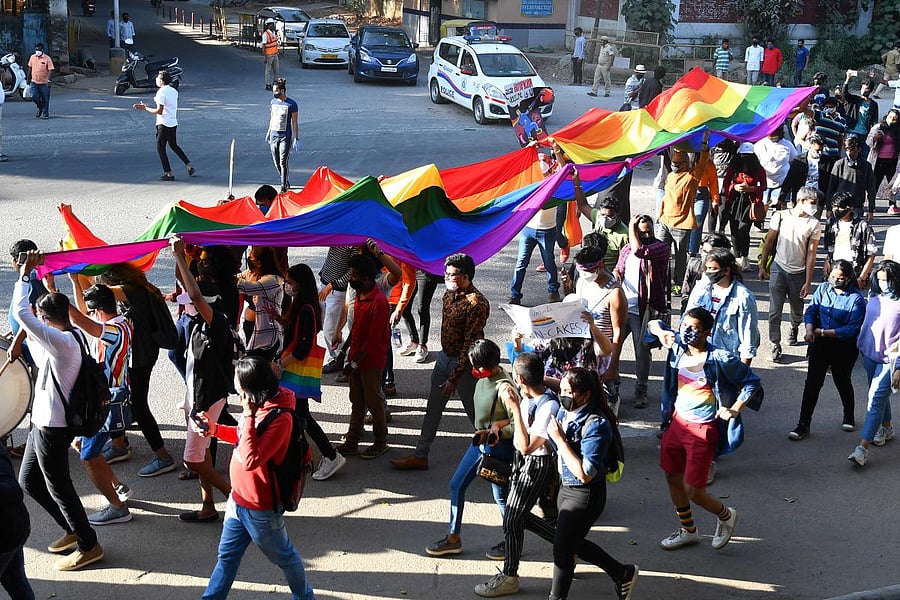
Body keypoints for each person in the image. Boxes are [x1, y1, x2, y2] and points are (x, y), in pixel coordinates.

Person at [197, 356, 315, 600]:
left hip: (261, 509)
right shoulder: (257, 406)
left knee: (285, 558)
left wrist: (248, 416)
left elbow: (252, 459)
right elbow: (243, 437)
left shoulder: (280, 418)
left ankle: (304, 596)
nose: (235, 389)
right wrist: (215, 429)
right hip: (237, 500)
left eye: (238, 385)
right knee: (227, 557)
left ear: (250, 389)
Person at [14, 251, 103, 571]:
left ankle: (88, 544)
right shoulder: (68, 335)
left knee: (60, 487)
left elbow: (21, 313)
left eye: (41, 318)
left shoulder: (62, 342)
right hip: (42, 422)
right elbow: (34, 334)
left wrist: (25, 275)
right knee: (30, 482)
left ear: (46, 318)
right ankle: (71, 529)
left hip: (54, 426)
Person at [649, 307, 761, 552]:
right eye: (684, 326)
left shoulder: (720, 358)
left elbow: (751, 382)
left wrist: (735, 408)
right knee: (671, 475)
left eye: (694, 329)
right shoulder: (678, 347)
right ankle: (688, 530)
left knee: (694, 490)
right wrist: (660, 332)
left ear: (707, 333)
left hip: (703, 429)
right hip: (676, 423)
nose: (687, 331)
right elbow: (652, 324)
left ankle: (726, 515)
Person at [544, 368, 638, 600]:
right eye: (561, 390)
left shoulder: (596, 424)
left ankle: (622, 573)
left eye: (569, 391)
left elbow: (586, 473)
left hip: (584, 495)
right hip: (565, 489)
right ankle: (622, 573)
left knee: (563, 549)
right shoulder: (569, 412)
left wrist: (560, 441)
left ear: (585, 395)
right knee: (568, 545)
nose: (563, 395)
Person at [391, 254, 490, 470]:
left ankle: (492, 456)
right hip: (444, 359)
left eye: (451, 275)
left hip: (462, 367)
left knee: (476, 415)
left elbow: (469, 344)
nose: (446, 278)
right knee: (433, 409)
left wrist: (454, 378)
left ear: (464, 277)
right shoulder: (449, 293)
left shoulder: (476, 303)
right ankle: (420, 455)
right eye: (445, 274)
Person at [474, 352, 558, 597]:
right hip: (523, 464)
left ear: (521, 381)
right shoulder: (529, 396)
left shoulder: (547, 406)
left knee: (512, 519)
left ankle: (510, 575)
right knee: (515, 518)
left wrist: (515, 410)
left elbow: (526, 446)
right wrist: (499, 425)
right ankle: (566, 544)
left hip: (537, 465)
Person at [425, 339, 515, 559]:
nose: (471, 368)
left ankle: (512, 541)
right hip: (479, 442)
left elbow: (519, 424)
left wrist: (498, 430)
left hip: (498, 448)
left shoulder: (505, 388)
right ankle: (453, 538)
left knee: (501, 496)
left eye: (474, 364)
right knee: (456, 484)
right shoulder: (486, 377)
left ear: (483, 366)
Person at [95, 262, 178, 477]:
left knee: (138, 405)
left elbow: (98, 294)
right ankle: (119, 445)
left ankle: (163, 457)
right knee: (122, 396)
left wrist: (79, 271)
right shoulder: (141, 288)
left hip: (140, 357)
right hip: (140, 354)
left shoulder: (132, 292)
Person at [171, 237, 234, 522]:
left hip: (206, 397)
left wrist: (178, 256)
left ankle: (238, 500)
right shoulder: (197, 322)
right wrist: (179, 258)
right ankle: (208, 506)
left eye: (190, 303)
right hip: (196, 394)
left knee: (192, 459)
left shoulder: (215, 321)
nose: (185, 305)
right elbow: (189, 290)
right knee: (203, 453)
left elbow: (194, 295)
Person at [66, 279, 134, 526]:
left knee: (87, 455)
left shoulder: (114, 331)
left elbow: (80, 320)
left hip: (106, 401)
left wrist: (60, 301)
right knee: (84, 446)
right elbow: (83, 315)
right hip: (109, 397)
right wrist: (74, 280)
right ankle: (117, 486)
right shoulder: (122, 321)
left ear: (99, 311)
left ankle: (118, 508)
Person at [272, 263, 345, 481]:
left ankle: (330, 455)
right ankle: (302, 456)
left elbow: (302, 347)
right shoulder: (302, 305)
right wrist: (278, 318)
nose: (287, 286)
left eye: (290, 283)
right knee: (297, 415)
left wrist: (281, 365)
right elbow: (296, 332)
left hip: (297, 371)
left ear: (300, 285)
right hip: (295, 369)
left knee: (300, 415)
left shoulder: (305, 309)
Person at [788, 259, 866, 440]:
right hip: (820, 344)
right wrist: (809, 329)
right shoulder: (823, 289)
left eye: (840, 278)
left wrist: (822, 331)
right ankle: (803, 424)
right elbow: (812, 310)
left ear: (848, 279)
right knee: (812, 384)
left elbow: (852, 329)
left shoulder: (856, 298)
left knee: (842, 380)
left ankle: (849, 415)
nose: (836, 280)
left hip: (843, 347)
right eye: (833, 276)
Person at [336, 253, 391, 459]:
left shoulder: (379, 303)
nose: (351, 278)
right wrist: (343, 351)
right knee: (357, 400)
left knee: (374, 402)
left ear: (367, 278)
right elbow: (357, 327)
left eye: (355, 274)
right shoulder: (360, 295)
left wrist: (354, 363)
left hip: (370, 362)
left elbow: (373, 340)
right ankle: (352, 440)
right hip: (356, 360)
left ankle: (380, 441)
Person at [758, 186, 822, 362]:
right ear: (801, 201)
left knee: (797, 310)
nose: (814, 207)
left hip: (799, 273)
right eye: (812, 203)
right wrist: (762, 266)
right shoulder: (780, 216)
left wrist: (808, 282)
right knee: (774, 312)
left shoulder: (814, 224)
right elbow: (769, 242)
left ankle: (794, 327)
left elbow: (811, 253)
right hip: (779, 268)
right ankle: (774, 344)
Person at [848, 260, 900, 467]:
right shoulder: (873, 296)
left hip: (891, 359)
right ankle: (886, 427)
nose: (883, 283)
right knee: (878, 394)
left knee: (874, 399)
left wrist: (899, 368)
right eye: (879, 280)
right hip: (869, 354)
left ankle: (862, 448)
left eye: (886, 280)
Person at [614, 214, 669, 408]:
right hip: (623, 307)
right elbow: (619, 269)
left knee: (642, 351)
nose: (646, 235)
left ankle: (641, 389)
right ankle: (613, 386)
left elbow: (640, 251)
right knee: (613, 348)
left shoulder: (660, 248)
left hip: (644, 308)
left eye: (649, 231)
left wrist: (630, 227)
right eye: (641, 232)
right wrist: (615, 276)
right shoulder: (627, 249)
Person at [657, 130, 712, 294]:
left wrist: (703, 144)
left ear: (684, 165)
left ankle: (678, 283)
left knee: (680, 258)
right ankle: (660, 281)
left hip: (682, 224)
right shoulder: (671, 176)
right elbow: (666, 198)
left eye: (677, 163)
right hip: (665, 222)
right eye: (673, 162)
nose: (673, 165)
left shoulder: (692, 177)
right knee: (660, 254)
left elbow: (702, 162)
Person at [683, 248, 759, 364]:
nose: (708, 272)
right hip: (697, 357)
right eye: (707, 268)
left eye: (713, 269)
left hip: (725, 360)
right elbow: (687, 317)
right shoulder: (701, 288)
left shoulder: (743, 296)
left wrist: (742, 372)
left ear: (726, 270)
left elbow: (748, 336)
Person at [133, 71, 195, 181]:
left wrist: (145, 108)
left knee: (160, 148)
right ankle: (189, 165)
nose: (156, 79)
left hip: (163, 123)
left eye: (158, 77)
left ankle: (169, 173)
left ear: (161, 80)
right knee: (173, 145)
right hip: (172, 122)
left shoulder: (161, 92)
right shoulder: (173, 91)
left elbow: (159, 111)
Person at [508, 178, 561, 305]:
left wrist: (559, 157)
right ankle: (515, 295)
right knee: (521, 263)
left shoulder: (556, 189)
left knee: (549, 262)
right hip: (528, 230)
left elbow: (562, 169)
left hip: (547, 231)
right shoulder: (533, 186)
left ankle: (553, 291)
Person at [720, 143, 766, 267]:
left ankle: (745, 256)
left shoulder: (758, 169)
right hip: (734, 201)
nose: (745, 158)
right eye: (743, 155)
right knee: (734, 230)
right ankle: (737, 256)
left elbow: (763, 185)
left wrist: (752, 189)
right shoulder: (733, 168)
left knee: (743, 230)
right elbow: (725, 183)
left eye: (748, 156)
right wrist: (734, 187)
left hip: (749, 203)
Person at [237, 246, 284, 360]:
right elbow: (239, 277)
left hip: (266, 333)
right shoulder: (252, 273)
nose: (249, 259)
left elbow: (248, 287)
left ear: (259, 262)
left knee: (260, 366)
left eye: (251, 257)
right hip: (252, 327)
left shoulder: (273, 280)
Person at [0, 442, 34, 598]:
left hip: (7, 531)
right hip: (13, 527)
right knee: (16, 580)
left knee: (16, 580)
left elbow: (13, 490)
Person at [822, 192, 877, 286]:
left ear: (850, 208)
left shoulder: (863, 226)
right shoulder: (831, 223)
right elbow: (830, 246)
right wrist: (827, 261)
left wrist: (862, 277)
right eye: (834, 206)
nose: (836, 210)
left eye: (840, 207)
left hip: (854, 270)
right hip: (834, 268)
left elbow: (871, 254)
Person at [826, 135, 876, 222]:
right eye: (847, 149)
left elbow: (871, 189)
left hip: (857, 206)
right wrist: (829, 208)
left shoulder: (866, 166)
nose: (849, 152)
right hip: (839, 206)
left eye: (853, 149)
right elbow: (831, 188)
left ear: (859, 149)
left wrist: (871, 209)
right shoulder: (839, 164)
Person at [781, 134, 835, 210]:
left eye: (821, 150)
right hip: (801, 198)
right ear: (810, 146)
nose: (819, 153)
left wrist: (829, 206)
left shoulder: (828, 162)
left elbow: (831, 183)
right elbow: (789, 179)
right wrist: (782, 197)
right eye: (817, 150)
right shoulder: (799, 160)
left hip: (818, 199)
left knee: (814, 220)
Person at [266, 78, 300, 193]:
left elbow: (294, 122)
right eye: (273, 91)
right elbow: (272, 118)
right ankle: (285, 179)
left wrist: (296, 138)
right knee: (276, 162)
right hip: (273, 135)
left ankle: (283, 186)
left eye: (276, 90)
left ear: (283, 90)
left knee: (283, 161)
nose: (274, 93)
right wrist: (268, 132)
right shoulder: (273, 102)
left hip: (285, 136)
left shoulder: (292, 104)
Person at [681, 233, 732, 303]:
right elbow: (686, 293)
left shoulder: (727, 272)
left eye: (710, 253)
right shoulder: (693, 265)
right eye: (704, 251)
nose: (705, 256)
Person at [754, 127, 798, 208]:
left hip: (782, 183)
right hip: (765, 183)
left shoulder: (787, 144)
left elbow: (794, 159)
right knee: (762, 208)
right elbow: (755, 164)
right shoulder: (759, 145)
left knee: (780, 207)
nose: (773, 138)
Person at [866, 109, 900, 214]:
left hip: (893, 160)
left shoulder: (898, 129)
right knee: (874, 183)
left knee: (893, 184)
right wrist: (875, 138)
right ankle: (871, 205)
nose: (892, 120)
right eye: (890, 117)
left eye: (895, 119)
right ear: (887, 116)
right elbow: (868, 142)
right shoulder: (878, 127)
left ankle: (892, 205)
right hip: (878, 160)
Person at [842, 72, 879, 159]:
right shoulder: (855, 100)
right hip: (852, 131)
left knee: (863, 158)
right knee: (850, 156)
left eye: (866, 89)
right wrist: (847, 79)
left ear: (870, 90)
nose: (863, 91)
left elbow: (874, 121)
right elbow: (845, 94)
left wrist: (873, 134)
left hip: (864, 133)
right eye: (862, 88)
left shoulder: (873, 104)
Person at [26, 43, 53, 120]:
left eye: (39, 50)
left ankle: (45, 114)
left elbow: (50, 69)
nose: (37, 51)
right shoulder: (32, 57)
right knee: (34, 96)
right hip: (34, 81)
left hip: (44, 83)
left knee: (45, 99)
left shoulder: (47, 59)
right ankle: (40, 107)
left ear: (42, 50)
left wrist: (49, 80)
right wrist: (28, 80)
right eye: (36, 49)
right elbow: (29, 68)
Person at [262, 18, 280, 91]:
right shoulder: (265, 34)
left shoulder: (274, 33)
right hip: (269, 55)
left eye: (273, 24)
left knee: (276, 70)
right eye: (272, 24)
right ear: (268, 25)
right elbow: (263, 46)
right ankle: (267, 84)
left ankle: (275, 84)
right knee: (268, 71)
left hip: (275, 54)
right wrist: (265, 57)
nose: (273, 26)